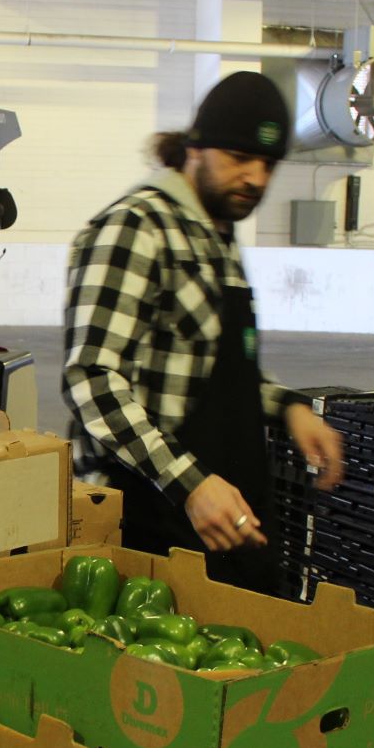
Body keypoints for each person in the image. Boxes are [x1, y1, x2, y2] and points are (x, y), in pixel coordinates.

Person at [62, 71, 344, 594]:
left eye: (268, 164)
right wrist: (190, 485)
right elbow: (93, 379)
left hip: (229, 519)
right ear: (195, 148)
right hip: (153, 524)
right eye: (239, 158)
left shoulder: (218, 235)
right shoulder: (136, 227)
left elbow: (217, 369)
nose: (256, 178)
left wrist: (289, 406)